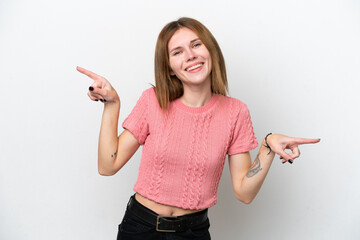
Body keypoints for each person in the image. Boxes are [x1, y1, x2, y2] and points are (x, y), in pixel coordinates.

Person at [77, 17, 320, 240]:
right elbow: (108, 166)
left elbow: (244, 193)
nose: (190, 55)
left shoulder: (236, 112)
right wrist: (112, 104)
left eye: (196, 45)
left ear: (211, 51)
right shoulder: (153, 100)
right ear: (170, 67)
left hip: (193, 233)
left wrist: (267, 145)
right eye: (177, 51)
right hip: (140, 228)